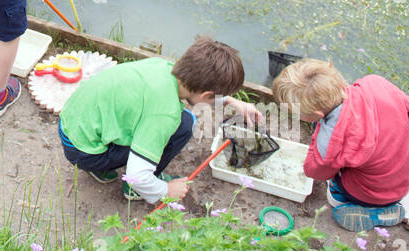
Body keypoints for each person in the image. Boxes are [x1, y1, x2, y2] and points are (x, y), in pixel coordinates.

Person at [58, 36, 259, 204]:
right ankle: (130, 189)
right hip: (84, 152)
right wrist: (165, 190)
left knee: (174, 120)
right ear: (207, 94)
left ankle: (101, 168)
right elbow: (138, 176)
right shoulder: (164, 113)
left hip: (71, 127)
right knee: (184, 125)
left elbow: (198, 93)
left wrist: (231, 101)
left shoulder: (164, 67)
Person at [271, 59, 409, 230]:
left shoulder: (331, 139)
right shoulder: (374, 82)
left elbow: (315, 171)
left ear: (317, 113)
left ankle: (371, 209)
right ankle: (387, 202)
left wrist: (318, 141)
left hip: (374, 193)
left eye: (296, 113)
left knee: (334, 191)